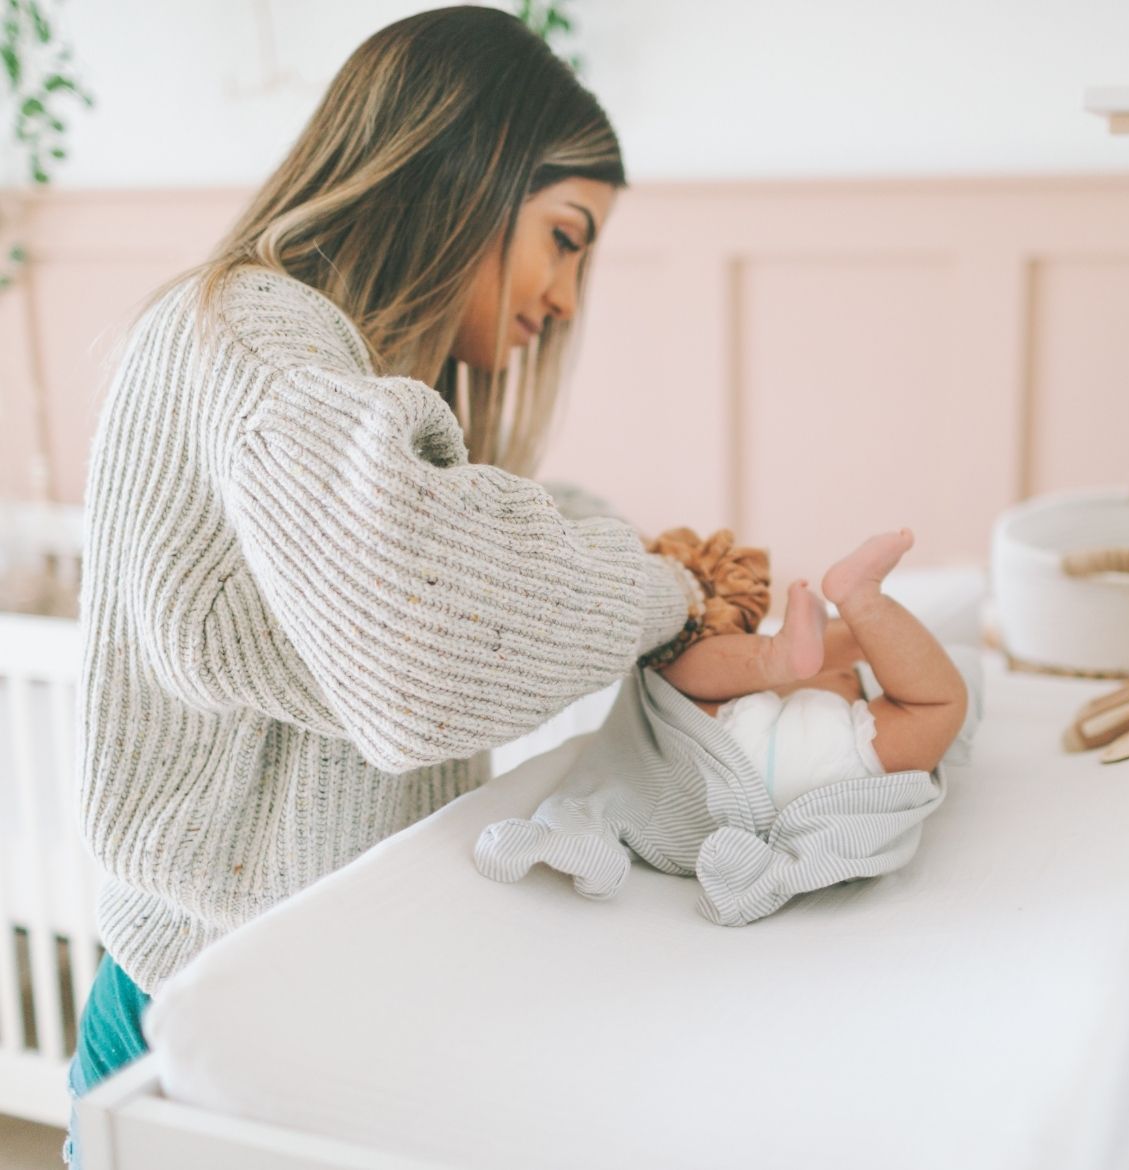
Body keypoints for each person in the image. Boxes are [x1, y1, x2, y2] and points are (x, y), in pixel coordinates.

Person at [62, 8, 761, 1164]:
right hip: (208, 1021)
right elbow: (420, 645)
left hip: (296, 996)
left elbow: (472, 530)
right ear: (466, 174)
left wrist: (652, 563)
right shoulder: (249, 341)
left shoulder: (322, 374)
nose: (568, 298)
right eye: (565, 236)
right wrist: (666, 594)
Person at [661, 528, 971, 808]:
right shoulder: (852, 703)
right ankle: (861, 600)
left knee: (678, 664)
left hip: (709, 741)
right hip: (831, 765)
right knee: (938, 703)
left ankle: (774, 655)